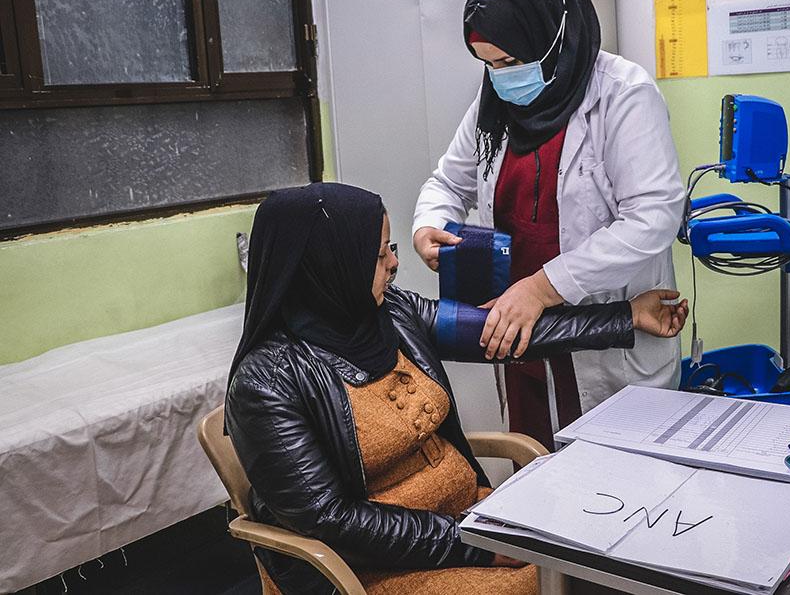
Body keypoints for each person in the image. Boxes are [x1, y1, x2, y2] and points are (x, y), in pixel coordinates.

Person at [226, 183, 688, 595]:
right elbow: (333, 523)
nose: (395, 262)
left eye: (390, 247)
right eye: (378, 254)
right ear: (329, 262)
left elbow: (500, 330)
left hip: (466, 515)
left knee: (595, 554)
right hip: (372, 565)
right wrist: (476, 545)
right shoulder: (268, 381)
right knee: (555, 579)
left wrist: (626, 318)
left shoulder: (392, 314)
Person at [412, 0, 686, 448]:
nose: (501, 78)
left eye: (511, 62)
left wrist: (542, 288)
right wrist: (428, 225)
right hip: (523, 334)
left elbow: (653, 217)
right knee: (534, 463)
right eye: (489, 65)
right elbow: (447, 182)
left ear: (554, 40)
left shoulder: (623, 95)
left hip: (601, 337)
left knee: (614, 490)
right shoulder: (494, 104)